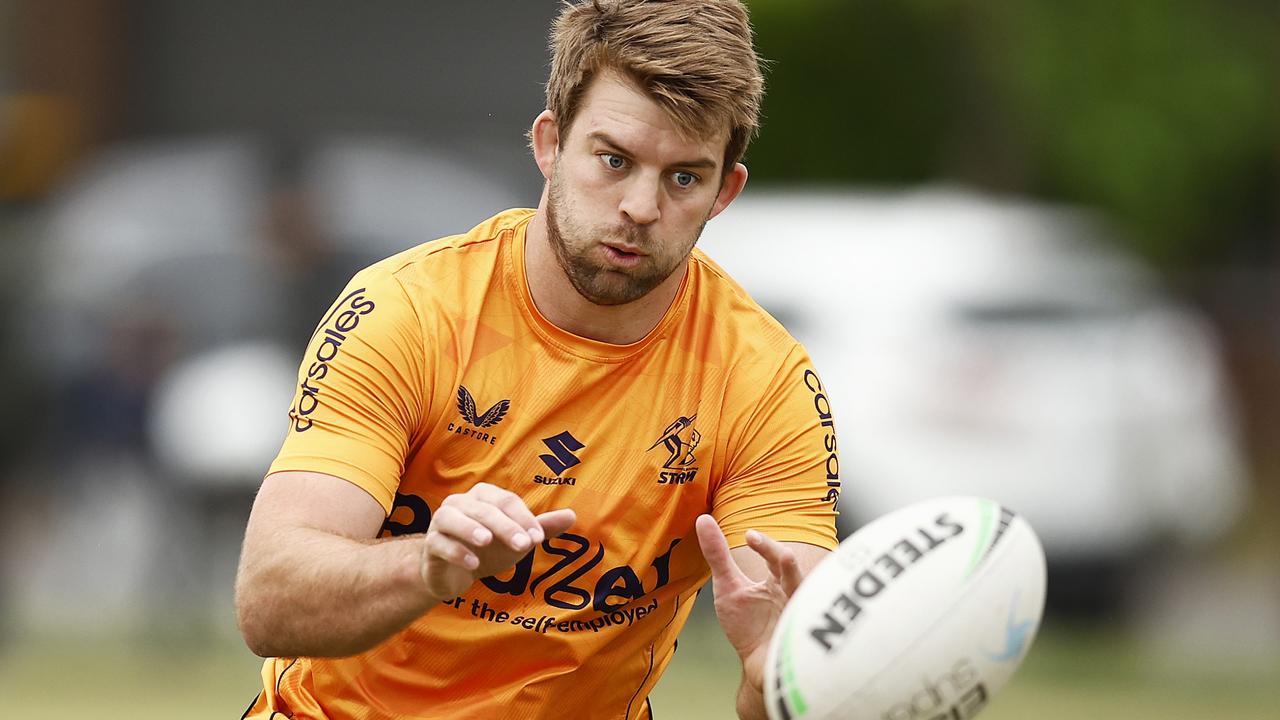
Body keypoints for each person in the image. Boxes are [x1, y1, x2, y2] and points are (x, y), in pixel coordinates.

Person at [234, 2, 841, 718]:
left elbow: (797, 676)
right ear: (550, 144)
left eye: (683, 178)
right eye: (613, 160)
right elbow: (270, 598)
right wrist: (428, 567)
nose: (641, 207)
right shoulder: (411, 312)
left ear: (724, 192)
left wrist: (778, 683)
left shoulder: (763, 381)